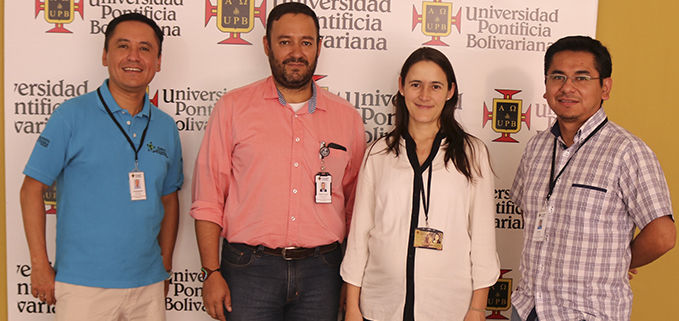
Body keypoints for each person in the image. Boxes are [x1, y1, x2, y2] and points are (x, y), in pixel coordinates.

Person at [190, 3, 365, 321]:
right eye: (285, 41)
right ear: (267, 46)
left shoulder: (347, 118)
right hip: (248, 270)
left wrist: (351, 280)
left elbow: (356, 208)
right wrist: (211, 271)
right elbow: (207, 199)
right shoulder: (232, 108)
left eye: (306, 42)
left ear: (319, 47)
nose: (296, 52)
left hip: (324, 272)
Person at [19, 13, 183, 321]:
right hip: (83, 286)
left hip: (147, 286)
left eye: (145, 48)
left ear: (158, 61)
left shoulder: (165, 127)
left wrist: (165, 266)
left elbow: (169, 199)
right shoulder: (71, 116)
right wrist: (40, 265)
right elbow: (31, 189)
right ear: (105, 55)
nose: (134, 57)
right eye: (123, 46)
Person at [510, 35, 675, 321]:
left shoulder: (627, 151)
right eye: (557, 76)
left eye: (582, 78)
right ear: (546, 85)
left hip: (586, 313)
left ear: (605, 87)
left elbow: (663, 235)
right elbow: (528, 210)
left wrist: (617, 260)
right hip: (527, 308)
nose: (567, 88)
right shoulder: (536, 147)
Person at [341, 47, 500, 321]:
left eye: (435, 86)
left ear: (450, 91)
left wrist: (477, 309)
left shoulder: (472, 153)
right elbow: (359, 236)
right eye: (416, 84)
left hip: (448, 309)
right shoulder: (378, 153)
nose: (424, 96)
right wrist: (353, 307)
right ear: (402, 87)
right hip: (380, 307)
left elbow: (483, 239)